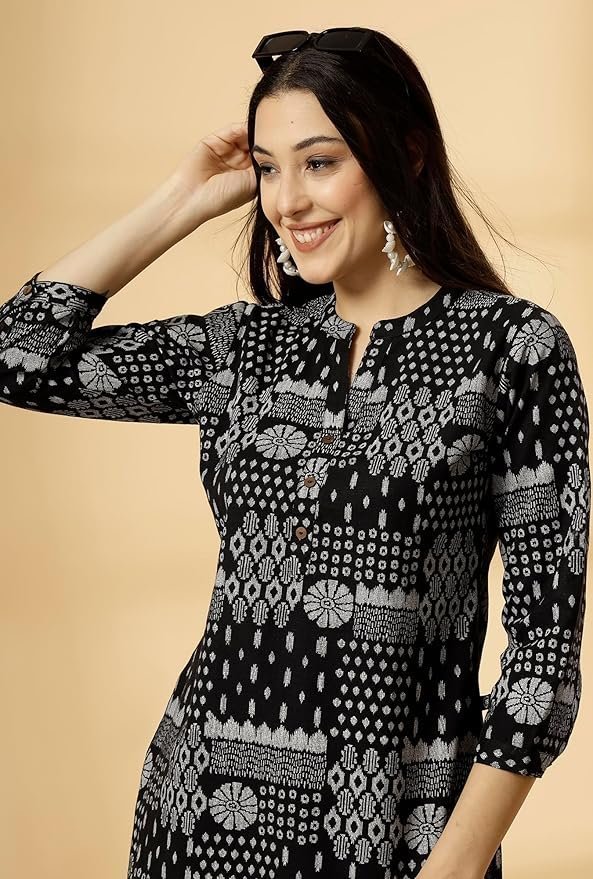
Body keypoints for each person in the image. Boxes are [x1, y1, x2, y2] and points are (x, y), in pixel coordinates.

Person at [0, 26, 589, 879]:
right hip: (197, 819)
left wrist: (457, 864)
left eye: (319, 162)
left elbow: (544, 650)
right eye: (268, 169)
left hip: (395, 835)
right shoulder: (241, 349)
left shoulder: (512, 349)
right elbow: (19, 355)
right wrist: (182, 198)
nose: (288, 201)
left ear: (405, 152)